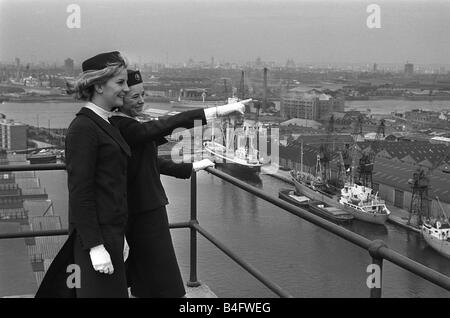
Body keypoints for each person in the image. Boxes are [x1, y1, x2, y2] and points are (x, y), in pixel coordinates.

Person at [109, 69, 250, 297]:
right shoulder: (124, 126)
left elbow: (149, 159)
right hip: (144, 208)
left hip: (142, 206)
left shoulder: (126, 125)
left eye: (143, 95)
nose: (142, 101)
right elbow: (167, 125)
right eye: (135, 97)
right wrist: (217, 112)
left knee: (143, 267)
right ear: (118, 97)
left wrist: (190, 167)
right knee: (163, 276)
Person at [36, 51, 132, 298]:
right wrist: (96, 246)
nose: (127, 88)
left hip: (111, 235)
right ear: (99, 85)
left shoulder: (103, 122)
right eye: (120, 82)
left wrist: (119, 238)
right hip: (97, 240)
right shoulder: (84, 128)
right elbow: (80, 191)